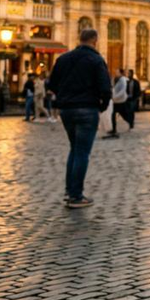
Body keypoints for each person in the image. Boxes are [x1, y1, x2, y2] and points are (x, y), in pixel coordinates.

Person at [47, 28, 111, 208]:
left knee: (74, 149)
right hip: (87, 108)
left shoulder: (63, 58)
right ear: (95, 40)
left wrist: (65, 99)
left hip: (67, 110)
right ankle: (76, 195)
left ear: (79, 39)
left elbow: (52, 84)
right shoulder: (96, 60)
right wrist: (102, 106)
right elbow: (105, 88)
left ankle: (70, 190)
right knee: (82, 151)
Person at [105, 69, 129, 138]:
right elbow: (113, 88)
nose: (115, 73)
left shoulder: (123, 80)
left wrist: (115, 97)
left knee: (123, 114)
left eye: (117, 72)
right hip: (116, 101)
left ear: (121, 73)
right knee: (113, 115)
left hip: (121, 101)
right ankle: (114, 129)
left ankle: (129, 123)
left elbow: (122, 90)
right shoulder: (115, 79)